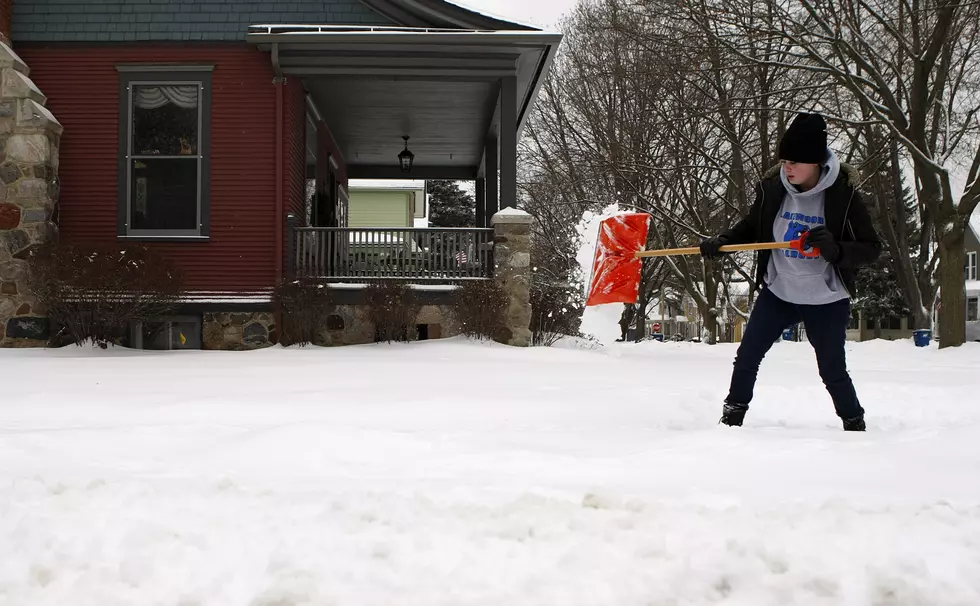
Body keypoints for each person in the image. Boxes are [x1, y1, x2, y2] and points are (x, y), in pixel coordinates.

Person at [699, 113, 881, 431]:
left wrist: (836, 250)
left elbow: (871, 247)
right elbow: (752, 226)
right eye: (785, 160)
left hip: (826, 298)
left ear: (816, 162)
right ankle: (731, 419)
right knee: (748, 354)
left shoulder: (843, 196)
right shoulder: (774, 189)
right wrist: (723, 241)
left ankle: (854, 424)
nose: (788, 168)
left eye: (796, 161)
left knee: (832, 369)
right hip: (780, 291)